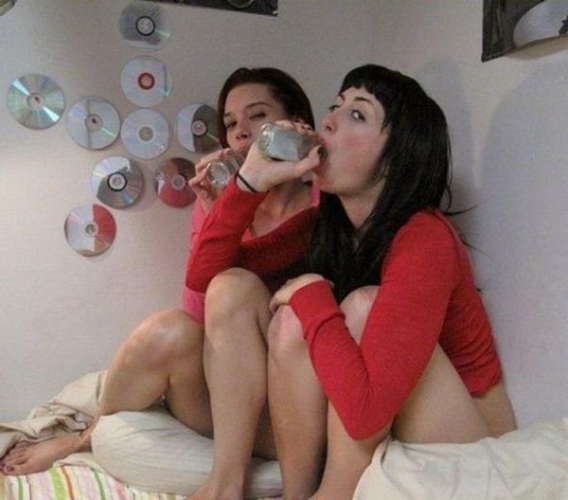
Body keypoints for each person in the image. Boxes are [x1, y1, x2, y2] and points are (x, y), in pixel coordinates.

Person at [203, 63, 518, 499]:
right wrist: (249, 183)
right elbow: (209, 277)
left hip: (472, 441)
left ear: (395, 156)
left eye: (357, 114)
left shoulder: (425, 235)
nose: (329, 120)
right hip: (376, 411)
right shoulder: (328, 226)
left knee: (360, 305)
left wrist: (312, 294)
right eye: (335, 107)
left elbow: (366, 415)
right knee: (286, 316)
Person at [0, 67, 319, 494]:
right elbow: (199, 308)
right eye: (230, 123)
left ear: (297, 123)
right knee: (168, 329)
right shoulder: (224, 202)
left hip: (295, 409)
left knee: (235, 286)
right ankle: (81, 439)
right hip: (231, 403)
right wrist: (227, 209)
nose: (241, 131)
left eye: (257, 115)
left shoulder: (327, 198)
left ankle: (228, 482)